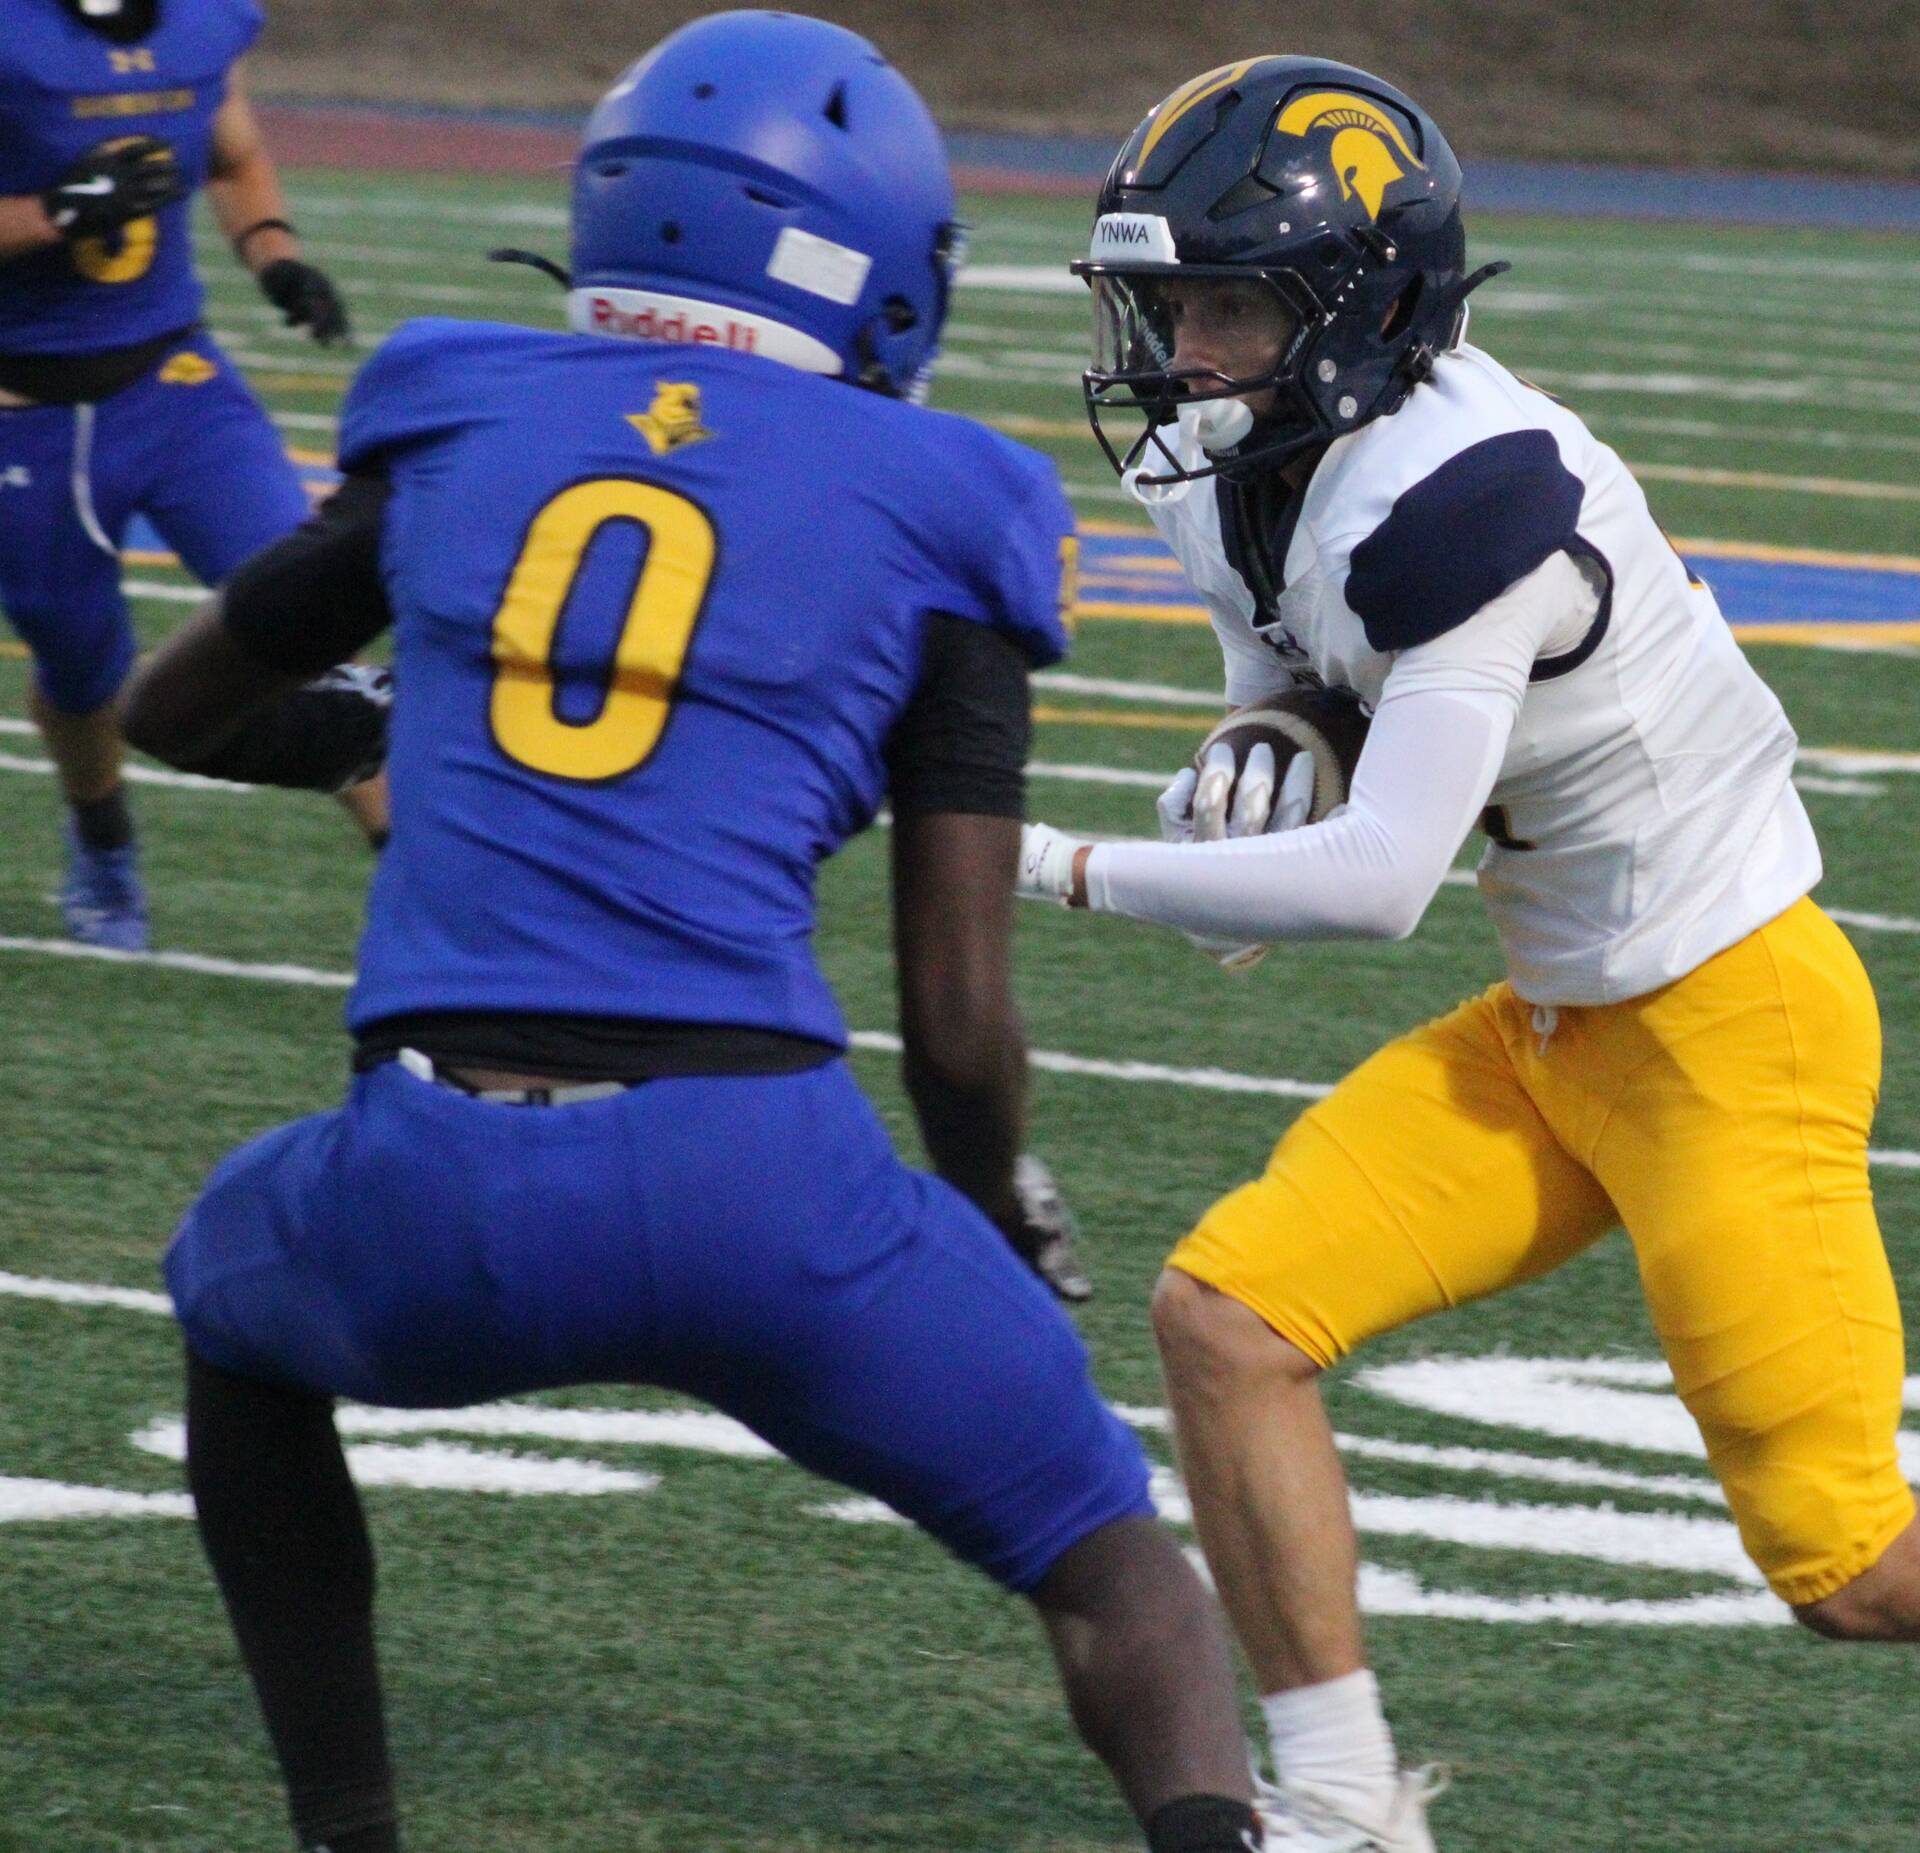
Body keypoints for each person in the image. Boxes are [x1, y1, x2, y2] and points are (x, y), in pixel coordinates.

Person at [119, 15, 1256, 1853]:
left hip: (433, 1170)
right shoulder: (952, 496)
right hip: (763, 1180)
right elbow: (956, 1021)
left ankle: (349, 1829)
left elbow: (177, 711)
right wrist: (984, 1210)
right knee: (1113, 1563)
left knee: (232, 1309)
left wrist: (384, 730)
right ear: (871, 263)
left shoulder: (453, 400)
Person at [1018, 55, 1920, 1853]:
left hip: (1730, 1022)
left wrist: (1037, 861)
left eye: (1230, 302)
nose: (1181, 348)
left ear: (1359, 312)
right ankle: (1344, 1808)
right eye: (1168, 299)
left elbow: (1371, 887)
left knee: (1849, 1559)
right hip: (1561, 1015)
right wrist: (1272, 743)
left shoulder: (1465, 501)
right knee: (1226, 1318)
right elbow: (1295, 668)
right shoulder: (1241, 461)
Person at [0, 0, 361, 951]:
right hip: (29, 413)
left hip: (176, 379)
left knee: (308, 603)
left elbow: (232, 153)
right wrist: (52, 215)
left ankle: (421, 873)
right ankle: (104, 839)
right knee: (81, 669)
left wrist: (277, 256)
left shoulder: (205, 24)